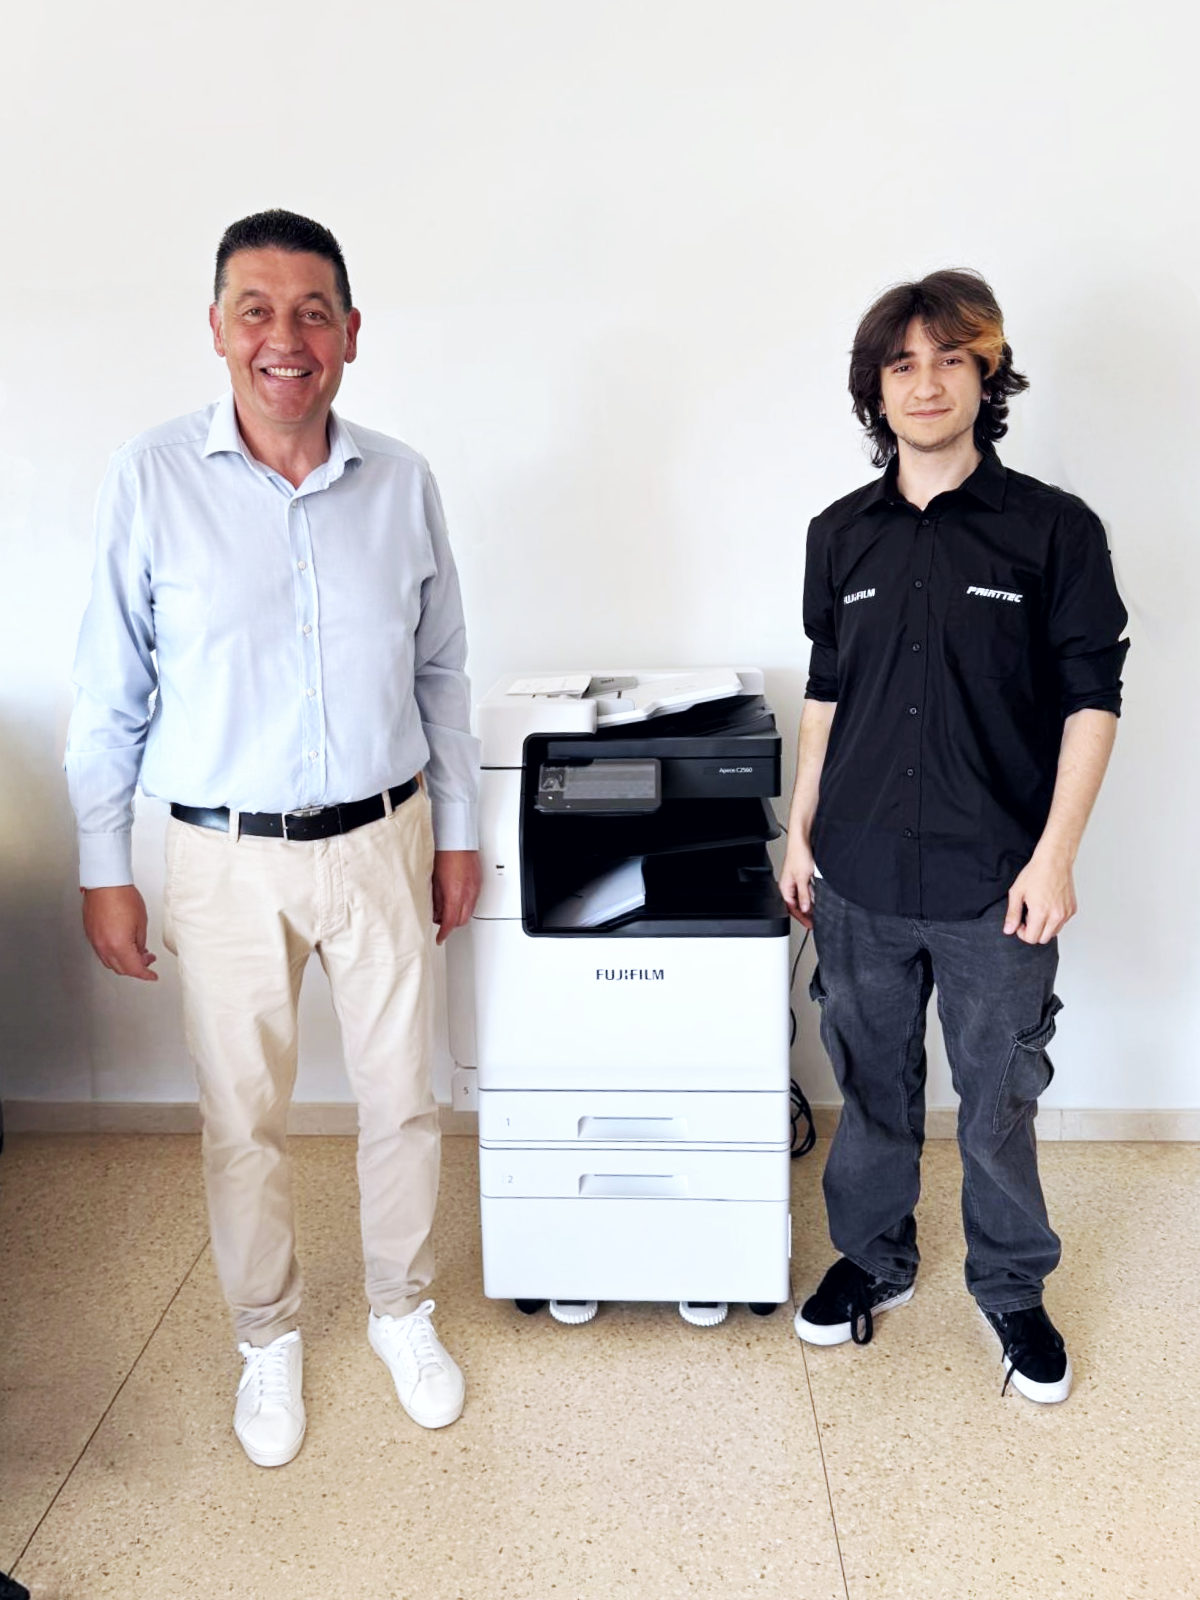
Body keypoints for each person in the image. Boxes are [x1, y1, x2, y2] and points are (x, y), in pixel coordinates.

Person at [66, 210, 481, 1465]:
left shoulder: (402, 482)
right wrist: (103, 866)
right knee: (241, 1113)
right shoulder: (151, 479)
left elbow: (443, 672)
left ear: (351, 333)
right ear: (217, 329)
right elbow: (111, 689)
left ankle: (403, 1311)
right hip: (223, 856)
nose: (284, 338)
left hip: (383, 838)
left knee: (402, 1098)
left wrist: (458, 830)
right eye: (257, 310)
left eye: (312, 312)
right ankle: (268, 1336)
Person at [779, 269, 1127, 1403]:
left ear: (987, 376)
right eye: (901, 364)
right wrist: (801, 832)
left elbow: (1092, 698)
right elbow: (828, 690)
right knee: (871, 1086)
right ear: (875, 390)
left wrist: (1056, 856)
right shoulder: (839, 536)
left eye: (949, 359)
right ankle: (873, 1258)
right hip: (859, 874)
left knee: (997, 1100)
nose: (924, 382)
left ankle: (1012, 1287)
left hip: (997, 882)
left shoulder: (1054, 531)